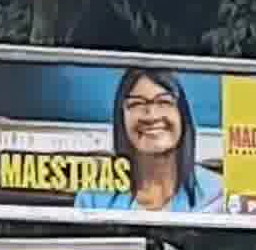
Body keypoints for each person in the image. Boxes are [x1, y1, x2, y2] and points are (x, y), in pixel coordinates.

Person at [75, 67, 223, 214]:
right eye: (137, 104)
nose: (152, 115)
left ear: (182, 116)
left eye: (164, 101)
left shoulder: (219, 194)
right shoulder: (92, 197)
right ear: (121, 118)